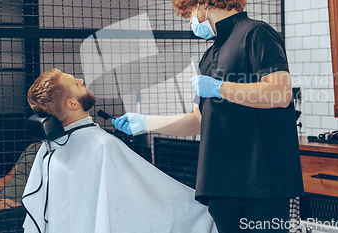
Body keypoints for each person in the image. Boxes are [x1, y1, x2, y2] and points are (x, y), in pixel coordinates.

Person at [112, 0, 304, 232]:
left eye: (189, 14)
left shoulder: (256, 33)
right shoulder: (209, 54)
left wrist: (219, 87)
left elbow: (280, 94)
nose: (190, 22)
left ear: (203, 2)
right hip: (221, 182)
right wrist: (146, 122)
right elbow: (198, 120)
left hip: (261, 181)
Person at [22, 68, 217, 233]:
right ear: (72, 104)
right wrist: (202, 211)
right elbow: (151, 200)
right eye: (75, 83)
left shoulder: (50, 148)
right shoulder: (103, 145)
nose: (81, 80)